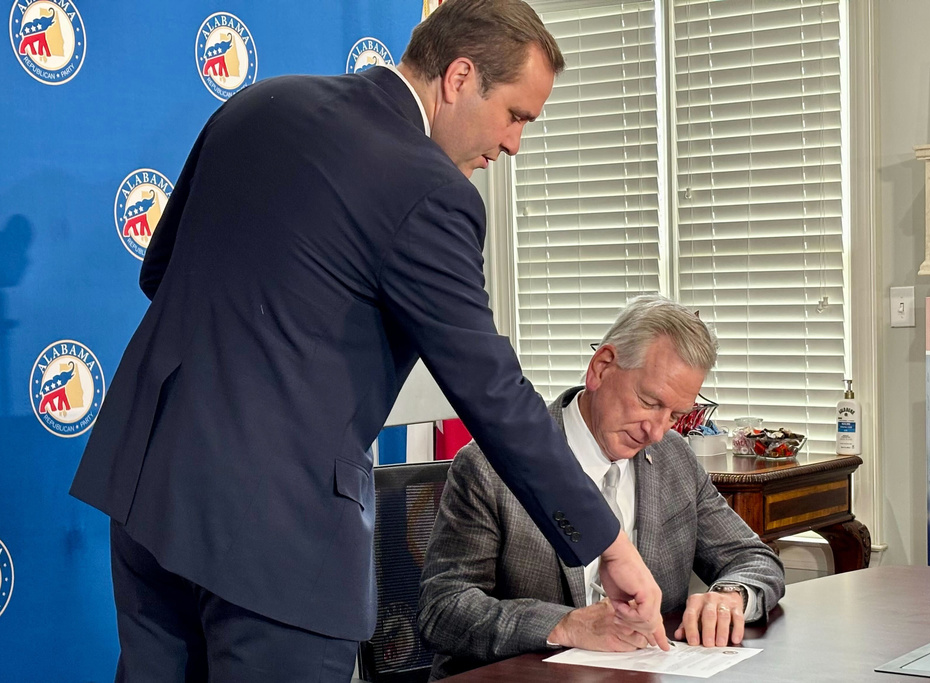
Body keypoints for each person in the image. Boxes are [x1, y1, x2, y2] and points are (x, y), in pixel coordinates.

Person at [68, 1, 669, 680]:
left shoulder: (258, 104)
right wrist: (610, 546)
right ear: (460, 76)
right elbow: (492, 393)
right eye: (516, 115)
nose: (513, 145)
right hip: (277, 531)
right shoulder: (429, 189)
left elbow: (162, 273)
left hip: (149, 487)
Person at [418, 295, 786, 680]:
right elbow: (442, 609)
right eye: (648, 402)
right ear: (602, 367)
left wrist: (730, 597)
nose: (657, 432)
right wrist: (567, 625)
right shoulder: (488, 465)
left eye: (676, 415)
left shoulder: (674, 457)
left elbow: (753, 558)